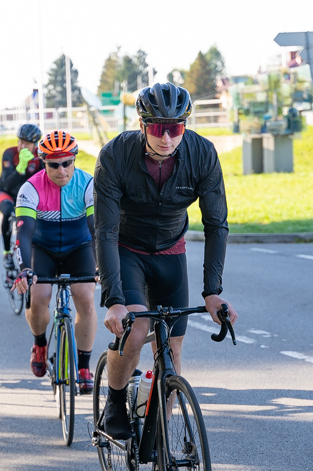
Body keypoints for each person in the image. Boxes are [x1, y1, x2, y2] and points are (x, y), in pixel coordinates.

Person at [93, 82, 238, 439]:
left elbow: (216, 224)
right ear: (142, 125)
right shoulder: (114, 155)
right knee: (137, 327)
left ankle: (158, 438)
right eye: (157, 128)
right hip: (127, 250)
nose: (166, 138)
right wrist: (113, 300)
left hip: (171, 252)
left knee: (172, 349)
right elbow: (106, 231)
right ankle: (113, 402)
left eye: (175, 129)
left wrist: (212, 292)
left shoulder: (203, 154)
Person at [12, 130, 97, 393]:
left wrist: (101, 267)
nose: (61, 170)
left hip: (79, 247)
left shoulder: (88, 184)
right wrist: (25, 269)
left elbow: (98, 230)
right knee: (39, 297)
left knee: (84, 296)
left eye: (67, 162)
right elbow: (23, 234)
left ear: (74, 159)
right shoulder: (30, 188)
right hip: (43, 249)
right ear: (43, 163)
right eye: (53, 164)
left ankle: (83, 366)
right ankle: (39, 344)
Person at [0, 124, 43, 270]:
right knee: (8, 213)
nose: (22, 146)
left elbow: (41, 183)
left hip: (28, 195)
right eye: (20, 141)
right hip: (6, 192)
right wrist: (21, 167)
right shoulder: (9, 153)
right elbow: (6, 184)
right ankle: (7, 253)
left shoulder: (40, 157)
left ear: (34, 145)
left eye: (26, 143)